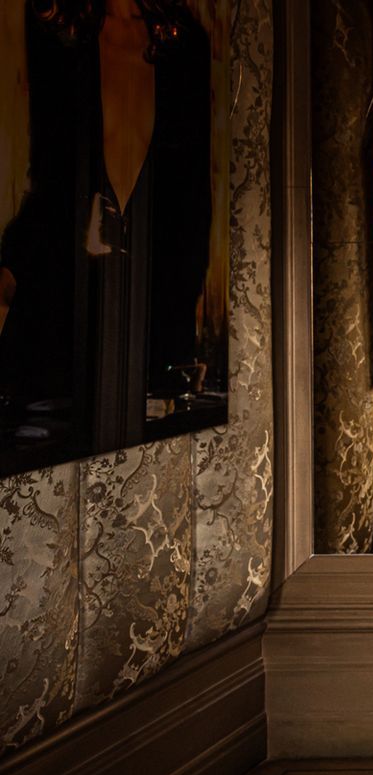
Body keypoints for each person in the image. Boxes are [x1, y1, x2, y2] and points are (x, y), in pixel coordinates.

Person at [0, 0, 213, 449]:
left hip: (152, 325)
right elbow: (47, 173)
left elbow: (192, 199)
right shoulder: (56, 27)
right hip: (58, 315)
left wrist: (180, 341)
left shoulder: (185, 44)